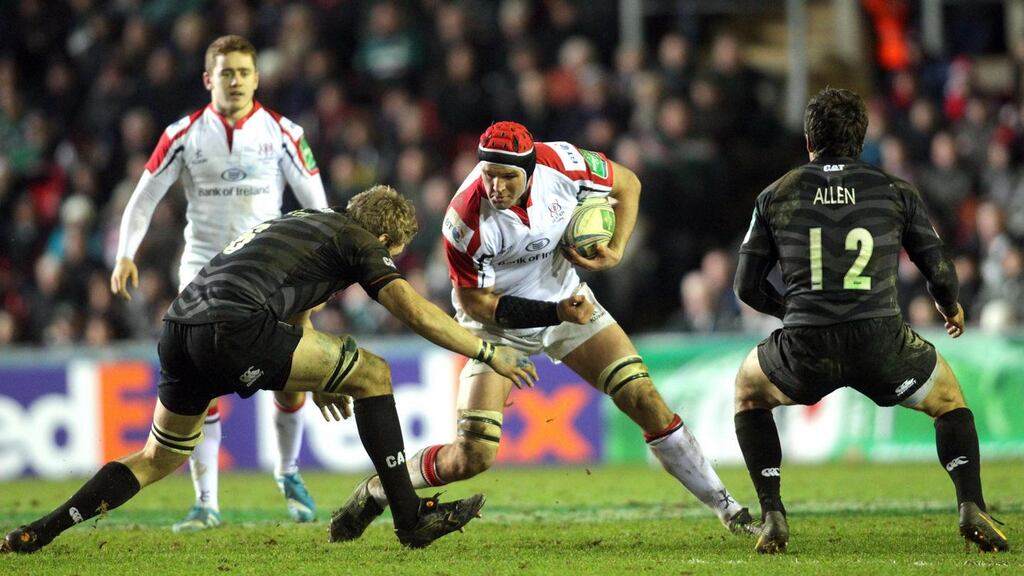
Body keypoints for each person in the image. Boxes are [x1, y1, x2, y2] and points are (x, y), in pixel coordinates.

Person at [2, 186, 539, 553]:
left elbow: (295, 304)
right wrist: (487, 352)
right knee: (375, 372)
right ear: (385, 241)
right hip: (234, 328)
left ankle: (39, 533)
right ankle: (410, 520)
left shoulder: (301, 224)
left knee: (157, 456)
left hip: (179, 328)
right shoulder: (356, 242)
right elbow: (414, 310)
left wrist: (318, 369)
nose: (389, 259)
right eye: (392, 253)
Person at [329, 121, 754, 543]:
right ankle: (379, 488)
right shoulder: (464, 219)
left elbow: (628, 184)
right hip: (496, 328)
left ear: (530, 170)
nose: (495, 185)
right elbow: (478, 302)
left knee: (643, 397)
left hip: (568, 301)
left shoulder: (565, 164)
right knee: (473, 456)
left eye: (507, 177)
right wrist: (554, 311)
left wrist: (617, 250)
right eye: (488, 174)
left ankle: (727, 506)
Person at [731, 87, 1009, 554]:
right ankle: (971, 503)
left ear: (808, 140)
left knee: (747, 393)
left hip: (805, 346)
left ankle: (773, 513)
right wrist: (949, 306)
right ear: (863, 139)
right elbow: (939, 268)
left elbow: (744, 286)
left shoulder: (775, 195)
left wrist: (793, 313)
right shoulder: (895, 190)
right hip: (881, 339)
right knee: (948, 400)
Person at [109, 35, 328, 531]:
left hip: (270, 272)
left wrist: (320, 268)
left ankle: (288, 471)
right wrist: (126, 254)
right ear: (209, 79)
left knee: (293, 378)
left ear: (257, 78)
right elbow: (144, 198)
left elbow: (316, 205)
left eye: (244, 73)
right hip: (203, 274)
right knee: (201, 384)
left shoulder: (284, 132)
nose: (236, 81)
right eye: (226, 73)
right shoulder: (183, 134)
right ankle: (206, 503)